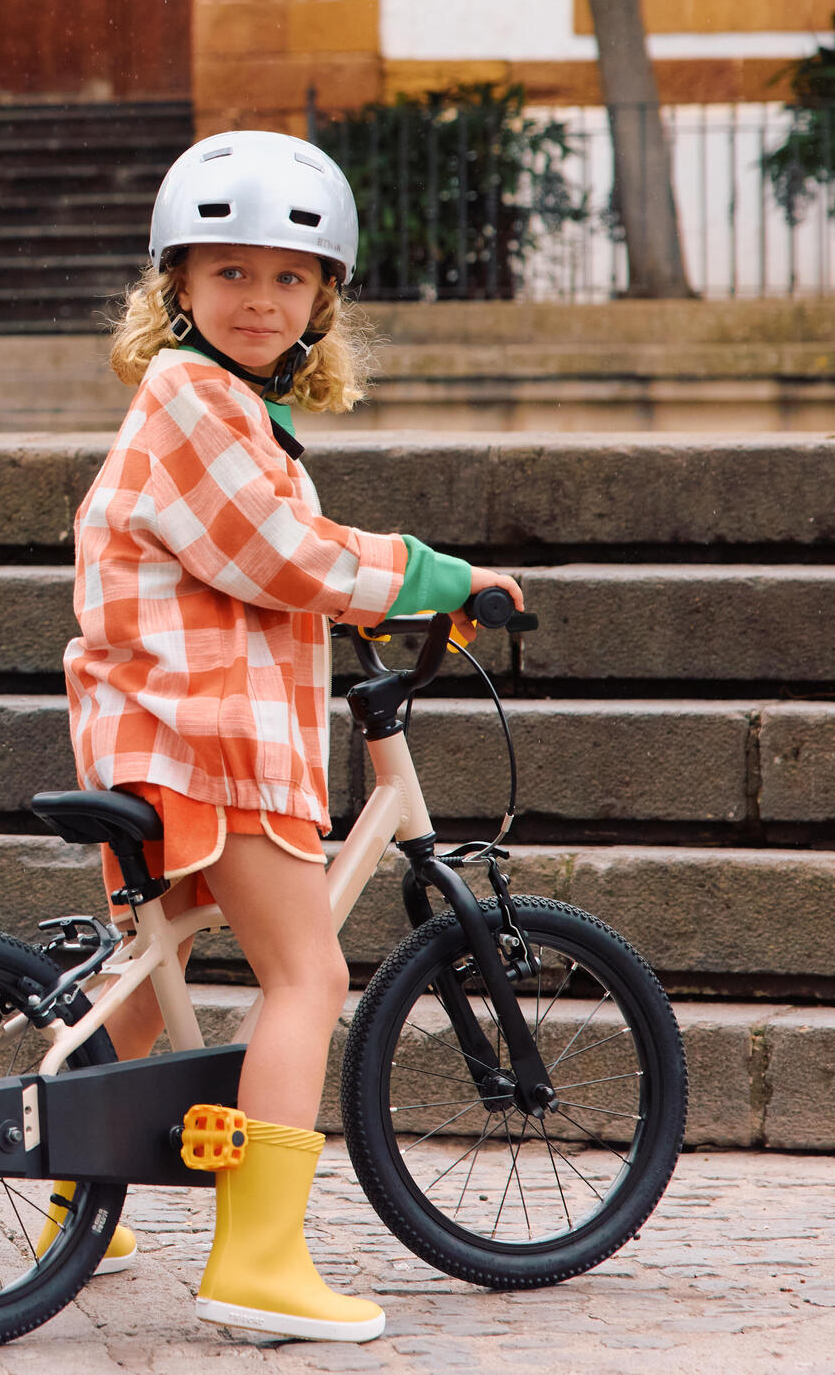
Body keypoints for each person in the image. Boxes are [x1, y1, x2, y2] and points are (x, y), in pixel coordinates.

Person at [68, 132, 521, 1345]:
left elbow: (248, 560)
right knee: (308, 975)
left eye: (287, 277)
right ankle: (260, 1259)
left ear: (324, 297)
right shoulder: (194, 398)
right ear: (177, 288)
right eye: (230, 276)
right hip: (203, 735)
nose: (260, 299)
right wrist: (431, 578)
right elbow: (283, 555)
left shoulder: (215, 407)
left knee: (147, 975)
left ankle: (77, 1197)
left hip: (157, 731)